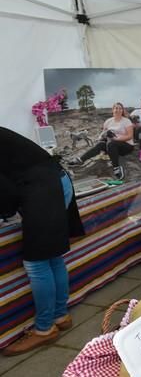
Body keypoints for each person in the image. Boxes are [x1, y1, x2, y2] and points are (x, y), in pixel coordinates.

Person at [0, 127, 84, 356]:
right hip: (55, 181)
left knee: (36, 263)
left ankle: (45, 328)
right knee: (51, 257)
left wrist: (6, 213)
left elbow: (5, 191)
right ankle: (60, 315)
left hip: (43, 188)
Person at [67, 102, 134, 180]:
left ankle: (116, 168)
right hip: (111, 146)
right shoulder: (108, 121)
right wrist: (100, 137)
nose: (118, 110)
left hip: (126, 146)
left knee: (111, 143)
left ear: (122, 110)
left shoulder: (126, 121)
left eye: (120, 108)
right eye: (116, 108)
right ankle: (80, 160)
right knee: (101, 144)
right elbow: (103, 133)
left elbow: (129, 136)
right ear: (113, 110)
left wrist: (115, 139)